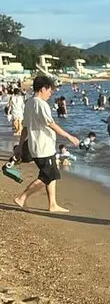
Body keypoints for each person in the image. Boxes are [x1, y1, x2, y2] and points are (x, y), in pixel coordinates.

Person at [14, 74, 79, 213]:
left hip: (36, 146)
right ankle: (22, 198)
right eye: (49, 91)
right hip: (43, 147)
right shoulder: (40, 104)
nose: (50, 94)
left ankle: (53, 204)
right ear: (43, 89)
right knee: (48, 175)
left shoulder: (29, 103)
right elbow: (50, 123)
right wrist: (69, 136)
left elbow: (25, 128)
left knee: (51, 173)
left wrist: (20, 145)